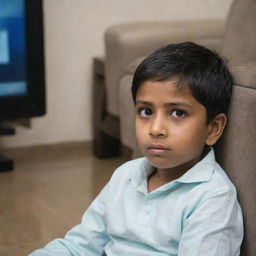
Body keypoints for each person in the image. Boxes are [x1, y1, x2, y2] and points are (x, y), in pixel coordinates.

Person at [29, 42, 243, 256]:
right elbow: (79, 246)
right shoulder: (126, 176)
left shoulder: (213, 198)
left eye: (177, 113)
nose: (156, 129)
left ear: (213, 129)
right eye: (146, 111)